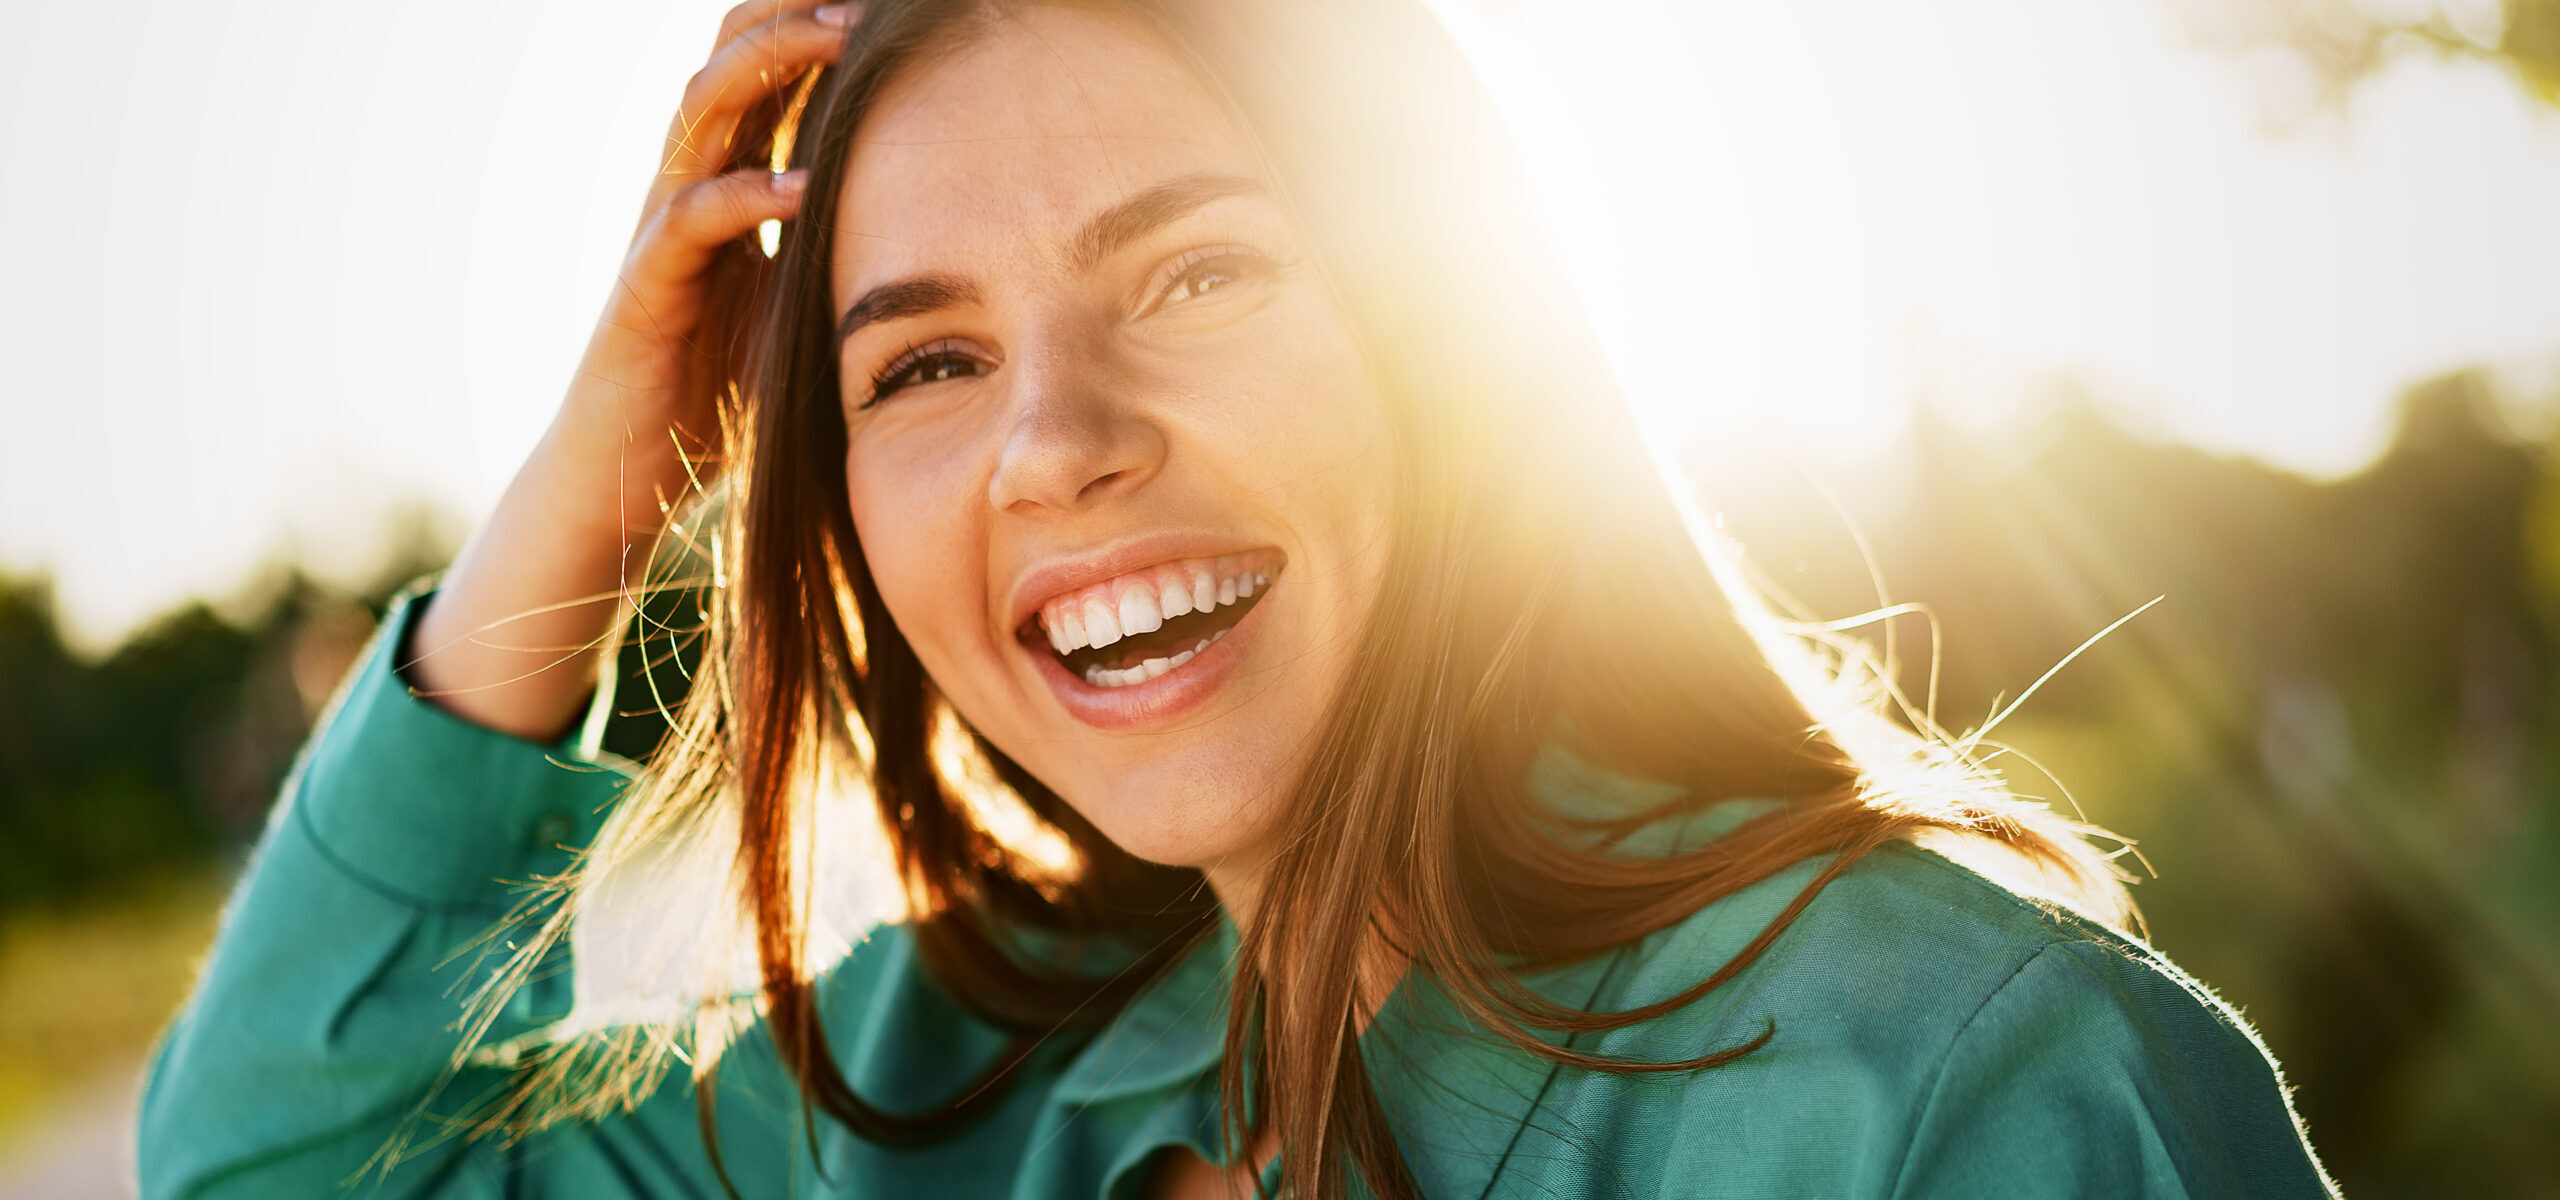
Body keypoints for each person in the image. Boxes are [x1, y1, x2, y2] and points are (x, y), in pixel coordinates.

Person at [137, 1, 2339, 1196]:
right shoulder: (934, 1078)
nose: (1051, 442)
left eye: (1192, 275)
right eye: (922, 361)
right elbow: (274, 1169)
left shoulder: (1971, 1096)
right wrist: (593, 482)